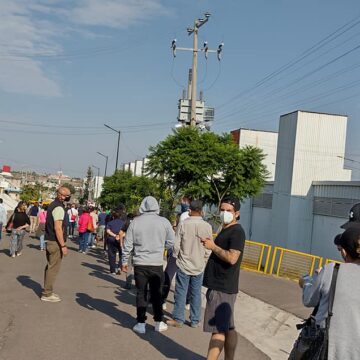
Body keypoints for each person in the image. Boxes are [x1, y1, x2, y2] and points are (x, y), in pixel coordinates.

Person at [290, 228, 360, 359]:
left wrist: (306, 282)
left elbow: (309, 299)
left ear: (344, 252)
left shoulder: (332, 270)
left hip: (328, 350)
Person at [122, 196, 175, 334]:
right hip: (156, 263)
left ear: (142, 206)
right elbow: (171, 242)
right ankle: (158, 322)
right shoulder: (164, 222)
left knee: (141, 293)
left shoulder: (135, 222)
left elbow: (127, 244)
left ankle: (141, 323)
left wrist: (124, 261)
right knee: (156, 293)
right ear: (157, 206)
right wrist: (160, 246)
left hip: (140, 263)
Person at [201, 196, 246, 360]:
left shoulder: (236, 232)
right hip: (224, 286)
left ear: (237, 213)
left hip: (222, 287)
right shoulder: (227, 229)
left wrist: (213, 247)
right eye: (222, 210)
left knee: (218, 329)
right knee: (228, 327)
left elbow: (232, 258)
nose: (224, 213)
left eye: (229, 211)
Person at [167, 200, 212, 328]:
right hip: (199, 265)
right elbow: (209, 247)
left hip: (184, 263)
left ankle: (178, 319)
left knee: (181, 291)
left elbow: (176, 245)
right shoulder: (207, 226)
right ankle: (195, 320)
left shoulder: (183, 224)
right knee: (196, 293)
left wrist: (176, 257)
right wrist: (204, 259)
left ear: (189, 210)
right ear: (202, 211)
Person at [41, 187, 71, 302]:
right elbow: (58, 228)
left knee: (50, 267)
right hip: (55, 242)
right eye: (66, 195)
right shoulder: (58, 207)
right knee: (53, 268)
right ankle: (47, 294)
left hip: (49, 240)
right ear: (60, 195)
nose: (67, 197)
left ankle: (47, 290)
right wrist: (63, 246)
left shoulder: (53, 205)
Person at [106, 209, 125, 275]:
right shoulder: (123, 223)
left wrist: (115, 235)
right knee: (121, 254)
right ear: (120, 216)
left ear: (113, 216)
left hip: (112, 239)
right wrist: (120, 236)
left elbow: (108, 231)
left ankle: (112, 270)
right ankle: (120, 266)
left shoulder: (110, 223)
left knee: (111, 255)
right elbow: (125, 232)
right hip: (121, 240)